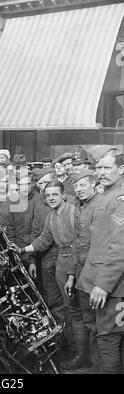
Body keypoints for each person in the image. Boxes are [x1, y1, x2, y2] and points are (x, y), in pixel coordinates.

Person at [20, 181, 90, 367]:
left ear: (63, 195)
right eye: (48, 195)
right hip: (61, 261)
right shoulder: (51, 216)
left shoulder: (74, 211)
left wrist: (72, 273)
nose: (51, 198)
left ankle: (82, 355)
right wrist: (21, 250)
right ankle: (73, 348)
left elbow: (81, 243)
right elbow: (43, 241)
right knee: (68, 307)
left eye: (55, 195)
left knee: (76, 310)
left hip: (76, 262)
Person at [76, 150, 124, 374]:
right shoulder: (106, 195)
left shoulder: (119, 199)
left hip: (111, 288)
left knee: (108, 341)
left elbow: (119, 247)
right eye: (99, 168)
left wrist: (104, 284)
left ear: (121, 169)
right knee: (102, 338)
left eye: (107, 168)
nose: (101, 172)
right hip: (96, 281)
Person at [62, 169, 98, 370]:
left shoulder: (100, 207)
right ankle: (86, 360)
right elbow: (76, 244)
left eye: (83, 185)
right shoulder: (80, 207)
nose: (78, 189)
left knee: (98, 326)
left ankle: (98, 367)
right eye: (76, 186)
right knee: (87, 320)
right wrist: (71, 275)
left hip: (97, 274)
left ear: (93, 185)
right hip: (82, 274)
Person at [30, 168, 65, 324]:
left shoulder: (70, 202)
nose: (44, 187)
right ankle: (60, 336)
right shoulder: (39, 203)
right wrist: (31, 260)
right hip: (47, 260)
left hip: (66, 259)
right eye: (41, 183)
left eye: (47, 182)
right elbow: (36, 233)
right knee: (52, 300)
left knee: (70, 301)